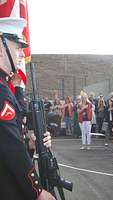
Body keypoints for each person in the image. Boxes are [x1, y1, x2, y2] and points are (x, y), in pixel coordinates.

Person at [0, 18, 55, 200]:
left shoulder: (4, 88)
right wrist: (37, 191)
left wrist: (30, 145)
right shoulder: (1, 92)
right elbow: (11, 149)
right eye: (17, 47)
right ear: (1, 49)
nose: (22, 54)